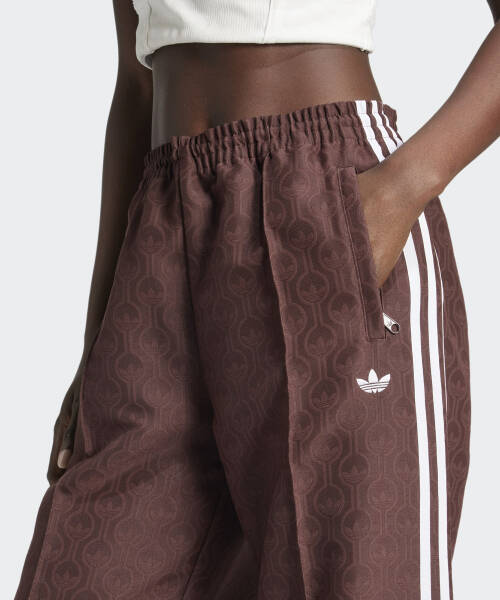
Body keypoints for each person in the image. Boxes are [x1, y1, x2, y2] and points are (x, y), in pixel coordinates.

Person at [15, 1, 499, 598]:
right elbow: (137, 84)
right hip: (163, 218)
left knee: (355, 579)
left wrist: (400, 192)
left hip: (323, 195)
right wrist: (96, 345)